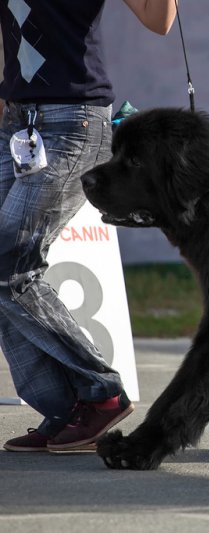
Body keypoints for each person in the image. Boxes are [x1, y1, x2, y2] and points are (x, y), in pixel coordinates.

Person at [0, 0, 177, 452]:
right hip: (18, 122)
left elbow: (159, 21)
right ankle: (65, 409)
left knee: (10, 263)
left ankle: (102, 393)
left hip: (73, 121)